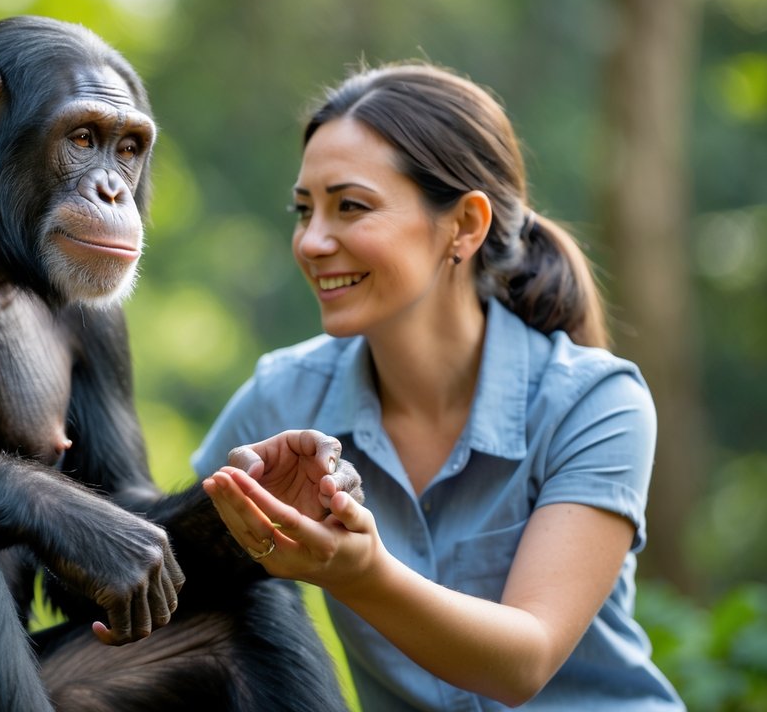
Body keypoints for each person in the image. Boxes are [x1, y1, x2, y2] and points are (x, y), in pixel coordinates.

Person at [192, 62, 684, 710]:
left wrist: (361, 573)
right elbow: (162, 564)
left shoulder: (594, 402)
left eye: (350, 207)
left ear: (464, 225)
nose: (311, 241)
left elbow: (523, 662)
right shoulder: (283, 397)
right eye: (303, 210)